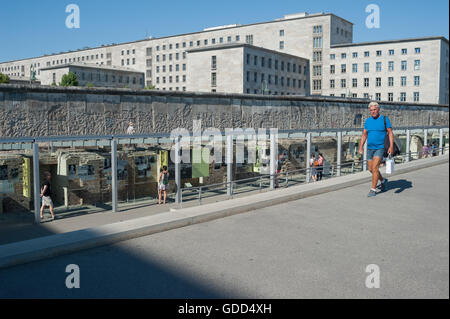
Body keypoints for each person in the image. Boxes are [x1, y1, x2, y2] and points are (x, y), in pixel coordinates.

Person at [359, 101, 394, 197]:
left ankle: (373, 189)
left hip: (380, 147)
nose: (373, 112)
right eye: (371, 110)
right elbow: (364, 134)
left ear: (378, 109)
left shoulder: (385, 119)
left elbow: (390, 133)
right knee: (371, 169)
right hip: (370, 148)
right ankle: (382, 180)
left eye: (374, 109)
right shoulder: (368, 121)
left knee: (375, 168)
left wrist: (391, 146)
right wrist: (361, 147)